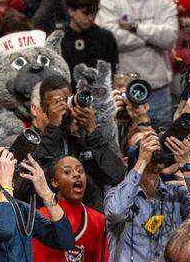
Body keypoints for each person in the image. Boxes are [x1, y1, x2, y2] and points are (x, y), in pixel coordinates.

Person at [105, 126, 190, 262]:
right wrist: (142, 161)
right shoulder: (115, 194)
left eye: (155, 142)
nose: (152, 147)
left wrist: (186, 163)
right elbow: (116, 212)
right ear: (128, 160)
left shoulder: (176, 194)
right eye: (144, 144)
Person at [96, 0, 178, 127]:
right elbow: (108, 39)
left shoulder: (163, 0)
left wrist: (135, 28)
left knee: (161, 145)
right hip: (123, 92)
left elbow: (170, 38)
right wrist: (150, 38)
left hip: (158, 89)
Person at [27, 75, 126, 211]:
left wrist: (92, 130)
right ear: (43, 108)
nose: (63, 107)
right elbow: (32, 182)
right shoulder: (34, 141)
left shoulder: (89, 136)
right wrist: (53, 128)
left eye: (66, 100)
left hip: (91, 220)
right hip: (52, 220)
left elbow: (117, 175)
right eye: (56, 103)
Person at [0, 148, 74, 262]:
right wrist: (5, 184)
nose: (0, 168)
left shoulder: (21, 209)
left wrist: (46, 193)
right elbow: (3, 230)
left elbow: (65, 242)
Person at [32, 155, 109, 262]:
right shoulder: (40, 218)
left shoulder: (98, 220)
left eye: (80, 171)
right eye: (67, 172)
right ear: (55, 182)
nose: (77, 174)